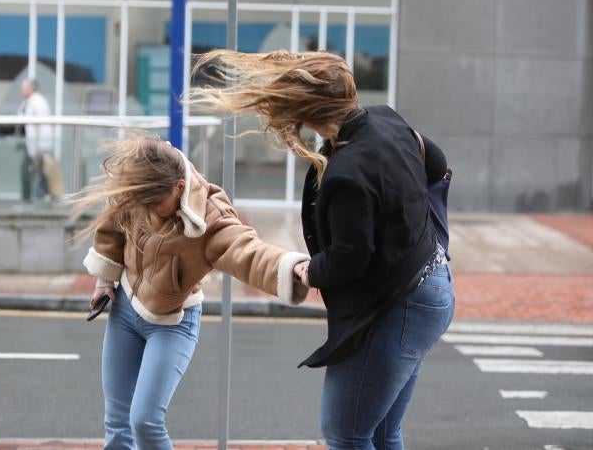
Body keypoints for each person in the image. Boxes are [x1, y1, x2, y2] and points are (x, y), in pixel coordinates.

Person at [192, 49, 455, 450]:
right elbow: (437, 165)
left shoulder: (346, 172)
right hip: (432, 286)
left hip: (398, 307)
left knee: (346, 435)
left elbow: (350, 258)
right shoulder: (387, 119)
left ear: (307, 112)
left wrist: (311, 271)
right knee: (383, 432)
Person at [74, 134, 310, 450]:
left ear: (180, 188)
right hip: (125, 312)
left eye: (157, 204)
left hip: (173, 323)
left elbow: (246, 250)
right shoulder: (142, 187)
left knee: (144, 421)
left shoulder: (208, 216)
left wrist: (290, 266)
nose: (151, 213)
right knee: (117, 427)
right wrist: (105, 280)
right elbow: (112, 229)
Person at [17, 78, 64, 203]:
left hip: (38, 145)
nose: (21, 90)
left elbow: (44, 126)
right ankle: (31, 197)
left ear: (30, 88)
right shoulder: (26, 103)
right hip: (30, 144)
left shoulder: (38, 102)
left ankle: (41, 197)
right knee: (33, 171)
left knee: (40, 171)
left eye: (23, 88)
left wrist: (42, 147)